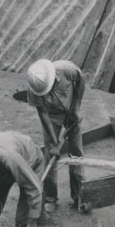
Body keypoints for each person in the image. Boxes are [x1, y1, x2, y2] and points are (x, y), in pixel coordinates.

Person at [26, 58, 88, 214]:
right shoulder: (34, 88)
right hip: (52, 115)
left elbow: (82, 80)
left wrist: (76, 108)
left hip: (71, 108)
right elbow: (43, 113)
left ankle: (80, 195)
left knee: (77, 153)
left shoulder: (66, 69)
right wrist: (55, 142)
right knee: (50, 154)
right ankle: (50, 198)